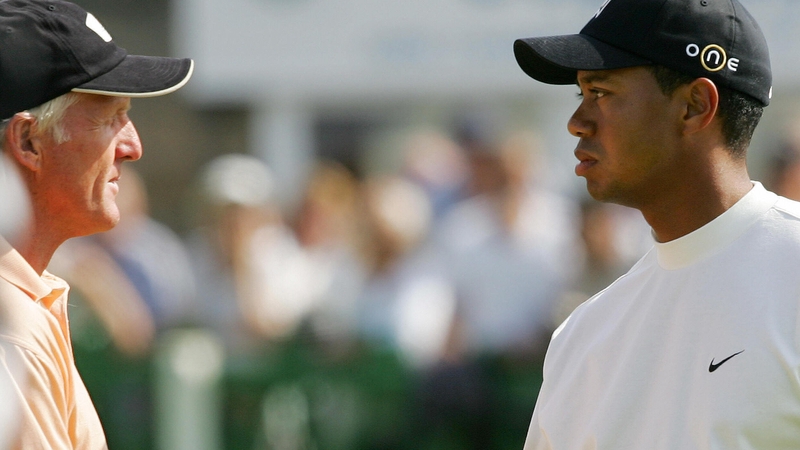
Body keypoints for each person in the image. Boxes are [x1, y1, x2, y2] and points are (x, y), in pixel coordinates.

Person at [513, 0, 800, 448]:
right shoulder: (582, 335)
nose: (576, 122)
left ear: (694, 106)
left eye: (601, 93)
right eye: (580, 94)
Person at [0, 0, 193, 448]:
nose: (134, 146)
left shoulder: (23, 304)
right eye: (111, 117)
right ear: (29, 141)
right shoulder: (11, 326)